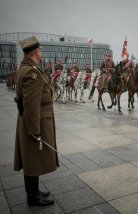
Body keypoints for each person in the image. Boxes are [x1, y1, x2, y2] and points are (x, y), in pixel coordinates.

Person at [14, 36, 59, 206]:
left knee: (32, 158)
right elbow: (31, 104)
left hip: (30, 119)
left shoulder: (27, 67)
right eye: (40, 50)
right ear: (37, 52)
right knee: (32, 158)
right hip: (34, 121)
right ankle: (33, 197)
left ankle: (34, 191)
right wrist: (34, 130)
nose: (41, 52)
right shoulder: (32, 72)